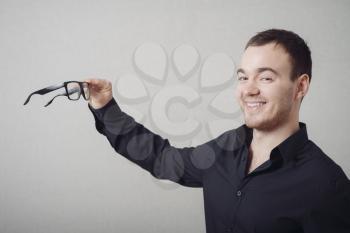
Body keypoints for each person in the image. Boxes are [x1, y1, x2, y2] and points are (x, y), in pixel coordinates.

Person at [85, 29, 350, 233]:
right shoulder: (225, 148)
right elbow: (163, 159)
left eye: (266, 77)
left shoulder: (328, 185)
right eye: (243, 77)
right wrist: (106, 107)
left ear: (300, 87)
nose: (249, 89)